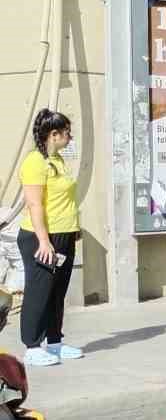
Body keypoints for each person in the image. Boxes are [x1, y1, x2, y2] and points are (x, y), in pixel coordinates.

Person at [17, 110, 81, 367]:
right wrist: (44, 241)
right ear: (53, 135)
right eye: (66, 132)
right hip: (41, 236)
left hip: (63, 233)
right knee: (39, 291)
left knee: (57, 293)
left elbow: (62, 200)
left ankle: (54, 342)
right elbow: (35, 205)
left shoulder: (58, 160)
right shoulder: (35, 162)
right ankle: (32, 346)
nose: (69, 136)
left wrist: (73, 230)